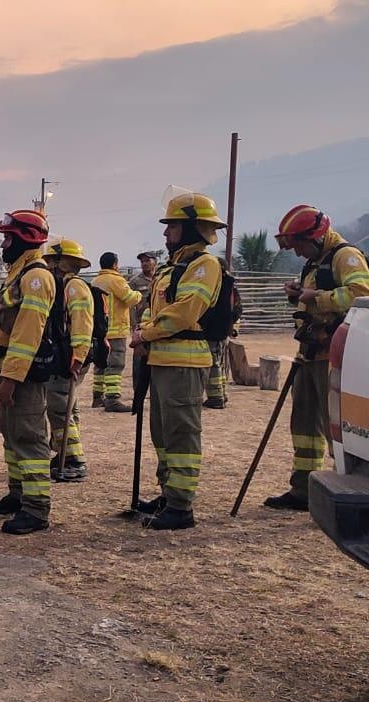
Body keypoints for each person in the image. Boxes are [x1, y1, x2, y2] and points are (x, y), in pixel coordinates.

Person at [264, 205, 369, 511]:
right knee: (304, 424)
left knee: (334, 427)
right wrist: (299, 294)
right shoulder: (316, 262)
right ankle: (304, 488)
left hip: (333, 355)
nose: (297, 252)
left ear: (314, 237)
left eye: (299, 244)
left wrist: (317, 297)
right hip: (310, 354)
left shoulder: (345, 257)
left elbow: (365, 294)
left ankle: (348, 491)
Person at [129, 188, 225, 531]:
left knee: (182, 435)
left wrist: (146, 335)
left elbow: (185, 312)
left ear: (192, 228)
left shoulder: (204, 265)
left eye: (172, 226)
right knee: (163, 433)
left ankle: (181, 506)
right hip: (161, 362)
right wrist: (143, 332)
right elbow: (153, 310)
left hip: (185, 363)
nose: (166, 233)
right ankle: (168, 494)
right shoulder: (172, 268)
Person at [0, 210, 55, 535]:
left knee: (29, 439)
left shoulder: (36, 278)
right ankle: (18, 495)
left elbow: (27, 335)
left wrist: (11, 377)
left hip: (24, 375)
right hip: (9, 370)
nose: (3, 245)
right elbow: (4, 331)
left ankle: (36, 509)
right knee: (12, 437)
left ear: (25, 238)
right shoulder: (19, 275)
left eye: (8, 238)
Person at [44, 239, 94, 482]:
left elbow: (83, 323)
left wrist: (78, 356)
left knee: (59, 406)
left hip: (70, 356)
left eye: (51, 261)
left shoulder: (74, 287)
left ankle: (74, 460)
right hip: (66, 354)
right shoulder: (64, 285)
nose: (48, 266)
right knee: (67, 406)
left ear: (62, 262)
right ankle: (64, 452)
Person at [91, 252, 141, 412]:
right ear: (114, 265)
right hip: (116, 331)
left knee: (100, 364)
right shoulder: (116, 280)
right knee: (115, 365)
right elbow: (130, 298)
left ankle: (97, 397)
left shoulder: (96, 280)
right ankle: (112, 399)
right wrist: (139, 294)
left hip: (100, 331)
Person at [203, 256, 233, 410]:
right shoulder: (229, 284)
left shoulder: (217, 284)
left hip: (214, 329)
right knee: (219, 362)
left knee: (213, 362)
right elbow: (237, 308)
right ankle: (222, 393)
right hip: (223, 329)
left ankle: (215, 397)